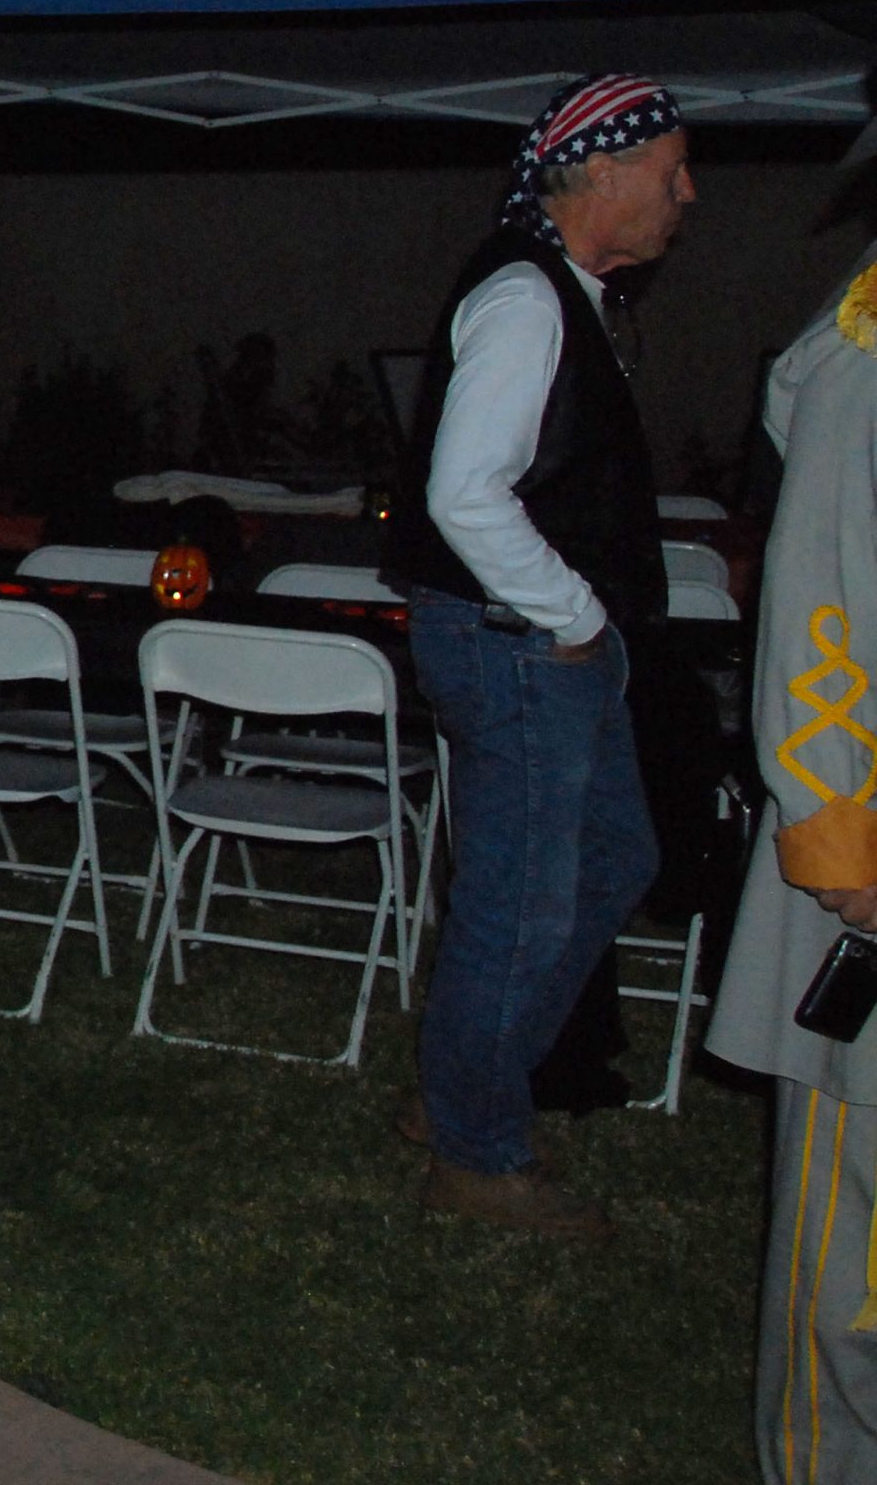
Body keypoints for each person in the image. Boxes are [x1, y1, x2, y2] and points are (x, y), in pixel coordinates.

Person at [384, 73, 694, 1241]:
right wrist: (569, 614)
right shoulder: (525, 297)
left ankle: (467, 1086)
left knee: (614, 857)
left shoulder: (556, 292)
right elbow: (465, 493)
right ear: (600, 175)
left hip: (543, 636)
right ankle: (475, 1155)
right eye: (669, 172)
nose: (685, 195)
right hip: (518, 638)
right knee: (521, 900)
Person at [705, 237, 877, 1483]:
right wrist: (840, 847)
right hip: (869, 869)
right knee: (852, 1270)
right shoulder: (865, 357)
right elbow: (816, 594)